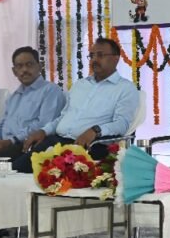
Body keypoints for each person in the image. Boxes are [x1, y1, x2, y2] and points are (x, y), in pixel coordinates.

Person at [15, 37, 139, 171]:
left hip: (88, 147)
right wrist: (44, 131)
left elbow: (122, 123)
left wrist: (95, 130)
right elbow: (63, 117)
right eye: (92, 55)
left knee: (37, 175)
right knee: (14, 170)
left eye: (100, 55)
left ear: (116, 58)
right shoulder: (80, 85)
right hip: (55, 141)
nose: (94, 60)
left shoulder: (125, 88)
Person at [0, 47, 65, 159]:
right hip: (4, 143)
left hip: (25, 145)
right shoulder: (14, 96)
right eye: (19, 66)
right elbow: (2, 122)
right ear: (14, 71)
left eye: (29, 64)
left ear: (39, 66)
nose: (24, 70)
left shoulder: (50, 91)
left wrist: (10, 141)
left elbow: (43, 124)